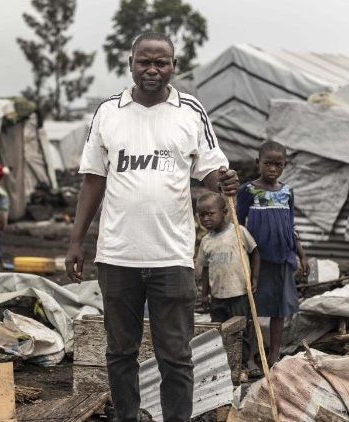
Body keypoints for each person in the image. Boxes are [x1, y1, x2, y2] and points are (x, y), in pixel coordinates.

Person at [65, 32, 239, 422]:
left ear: (173, 67)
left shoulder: (190, 111)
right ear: (130, 64)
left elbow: (210, 167)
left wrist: (223, 182)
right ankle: (127, 416)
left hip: (172, 256)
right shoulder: (109, 111)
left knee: (176, 355)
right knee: (120, 351)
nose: (152, 69)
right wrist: (76, 243)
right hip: (117, 255)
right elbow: (93, 179)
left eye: (161, 62)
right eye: (144, 61)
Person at [236, 140, 309, 367]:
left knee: (279, 308)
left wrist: (301, 254)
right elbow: (238, 225)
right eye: (268, 163)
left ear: (284, 165)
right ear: (258, 163)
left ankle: (274, 355)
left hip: (282, 258)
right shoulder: (247, 191)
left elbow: (290, 225)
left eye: (278, 165)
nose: (272, 169)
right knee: (252, 308)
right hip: (258, 260)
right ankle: (249, 356)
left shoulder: (287, 192)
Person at [195, 192, 262, 377]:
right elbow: (207, 269)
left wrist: (254, 279)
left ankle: (247, 362)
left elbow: (255, 252)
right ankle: (227, 365)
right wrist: (204, 294)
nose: (205, 218)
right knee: (220, 331)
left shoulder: (238, 232)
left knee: (242, 329)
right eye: (201, 215)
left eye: (210, 213)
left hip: (239, 292)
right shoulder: (206, 242)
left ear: (224, 212)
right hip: (218, 296)